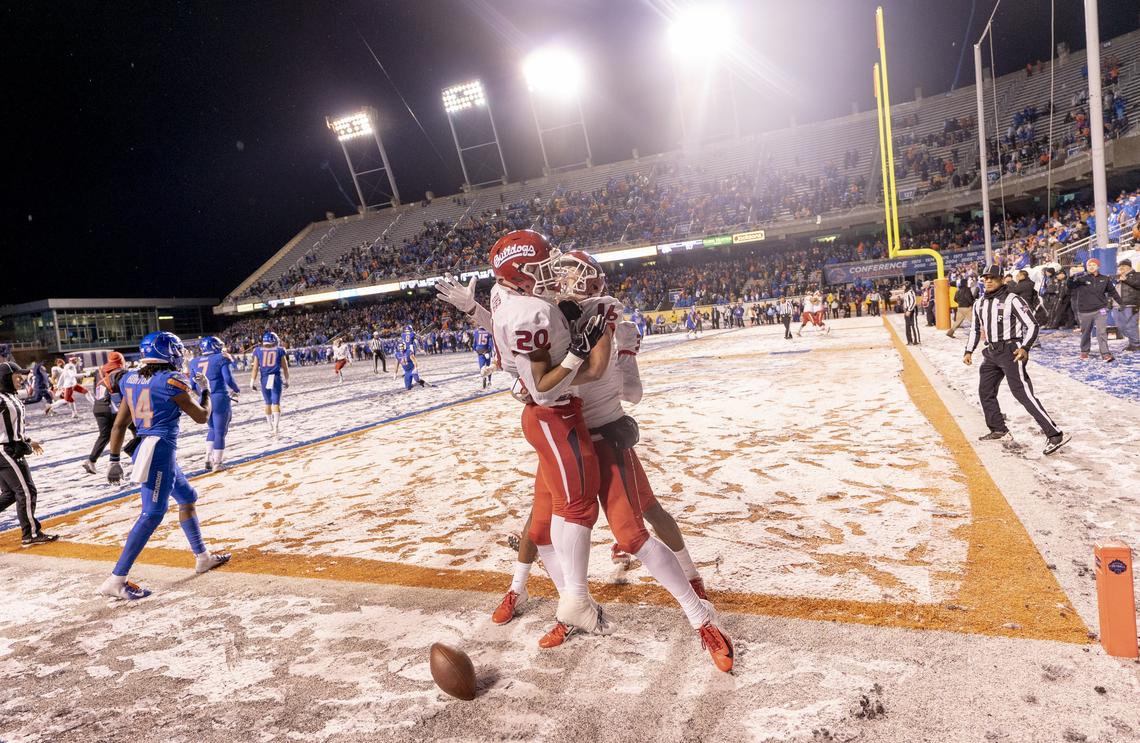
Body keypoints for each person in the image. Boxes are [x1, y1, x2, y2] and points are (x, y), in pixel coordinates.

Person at [483, 250, 733, 671]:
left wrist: (543, 382)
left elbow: (595, 371)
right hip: (565, 434)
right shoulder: (547, 311)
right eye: (558, 274)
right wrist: (524, 379)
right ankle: (571, 606)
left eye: (568, 274)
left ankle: (700, 616)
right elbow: (529, 360)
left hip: (601, 437)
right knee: (541, 527)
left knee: (632, 533)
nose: (560, 280)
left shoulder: (601, 312)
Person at [439, 230, 614, 648]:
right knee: (576, 507)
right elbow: (544, 388)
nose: (551, 274)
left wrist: (472, 310)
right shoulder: (531, 311)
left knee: (547, 514)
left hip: (542, 414)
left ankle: (560, 596)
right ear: (517, 274)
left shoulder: (506, 295)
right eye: (540, 269)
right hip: (553, 413)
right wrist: (578, 353)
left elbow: (502, 329)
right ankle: (575, 602)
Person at [97, 332, 230, 600]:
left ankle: (202, 556)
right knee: (152, 513)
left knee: (188, 497)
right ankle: (116, 579)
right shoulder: (172, 381)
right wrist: (205, 391)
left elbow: (120, 424)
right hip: (158, 452)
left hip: (149, 449)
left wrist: (113, 459)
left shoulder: (131, 380)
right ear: (170, 352)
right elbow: (202, 417)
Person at [964, 266, 1069, 455]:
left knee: (1022, 394)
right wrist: (968, 350)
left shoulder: (1013, 299)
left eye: (992, 278)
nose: (988, 281)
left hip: (1011, 351)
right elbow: (975, 329)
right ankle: (999, 429)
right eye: (985, 278)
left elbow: (1032, 325)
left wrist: (1025, 347)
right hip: (991, 351)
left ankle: (1054, 434)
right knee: (985, 391)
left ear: (1002, 279)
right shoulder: (979, 303)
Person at [0, 361, 58, 546]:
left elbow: (13, 426)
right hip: (5, 450)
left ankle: (30, 532)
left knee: (10, 493)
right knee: (26, 491)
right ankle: (31, 534)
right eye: (16, 375)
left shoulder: (11, 396)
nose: (20, 378)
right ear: (5, 378)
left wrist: (27, 441)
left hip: (12, 447)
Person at [83, 352, 137, 474]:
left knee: (104, 435)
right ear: (121, 361)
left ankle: (91, 461)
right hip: (113, 407)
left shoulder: (101, 371)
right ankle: (137, 452)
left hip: (98, 407)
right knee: (134, 427)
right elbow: (126, 390)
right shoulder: (121, 373)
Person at [193, 336, 240, 471]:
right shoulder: (220, 358)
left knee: (212, 429)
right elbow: (228, 379)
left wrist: (204, 394)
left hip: (204, 398)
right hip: (219, 397)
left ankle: (208, 457)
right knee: (220, 431)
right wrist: (236, 389)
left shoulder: (194, 361)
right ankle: (217, 463)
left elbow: (192, 385)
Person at [1069, 258, 1123, 362]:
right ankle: (1084, 351)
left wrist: (1121, 303)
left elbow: (1113, 292)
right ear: (1087, 267)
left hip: (1100, 309)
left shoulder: (1105, 279)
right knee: (1086, 332)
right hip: (1085, 311)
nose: (1091, 267)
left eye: (1094, 265)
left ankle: (1105, 353)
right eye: (1089, 265)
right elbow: (1070, 285)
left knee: (1101, 332)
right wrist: (1071, 276)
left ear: (1098, 266)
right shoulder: (1081, 279)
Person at [250, 331, 289, 434]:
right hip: (275, 378)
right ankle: (276, 427)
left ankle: (270, 426)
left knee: (267, 403)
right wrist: (287, 380)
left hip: (264, 379)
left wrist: (252, 382)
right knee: (276, 403)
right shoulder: (280, 350)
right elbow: (285, 368)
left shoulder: (258, 350)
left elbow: (255, 369)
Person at [1113, 258, 1140, 351]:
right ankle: (1133, 341)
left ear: (1130, 266)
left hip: (1130, 305)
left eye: (1124, 266)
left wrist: (1127, 280)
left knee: (1131, 326)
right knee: (1121, 326)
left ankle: (1135, 344)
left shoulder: (1137, 275)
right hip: (1116, 305)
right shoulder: (1117, 277)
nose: (1122, 268)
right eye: (1120, 267)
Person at [947, 272, 977, 338]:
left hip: (960, 308)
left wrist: (960, 303)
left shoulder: (958, 290)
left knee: (958, 321)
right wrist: (972, 303)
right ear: (965, 283)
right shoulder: (967, 290)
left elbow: (955, 299)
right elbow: (969, 298)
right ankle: (978, 333)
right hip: (967, 308)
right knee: (974, 320)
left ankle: (950, 332)